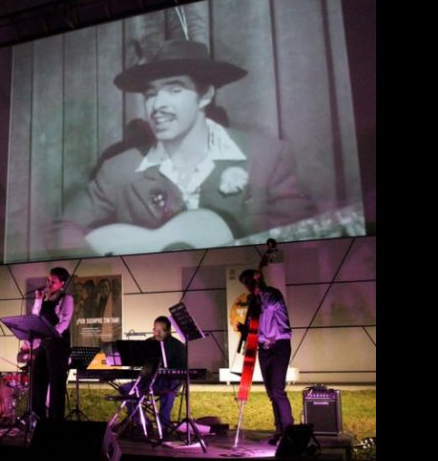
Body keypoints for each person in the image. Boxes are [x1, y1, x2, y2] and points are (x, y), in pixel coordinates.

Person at [50, 37, 314, 256]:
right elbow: (63, 229)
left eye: (174, 90)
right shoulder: (120, 169)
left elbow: (296, 250)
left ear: (205, 95)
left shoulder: (267, 157)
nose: (157, 105)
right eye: (150, 94)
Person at [238, 268, 293, 445]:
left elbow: (271, 306)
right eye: (245, 283)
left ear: (257, 279)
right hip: (264, 349)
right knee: (271, 392)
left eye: (248, 282)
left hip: (279, 346)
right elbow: (256, 328)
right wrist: (246, 330)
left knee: (277, 390)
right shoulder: (255, 300)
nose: (247, 286)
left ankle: (289, 431)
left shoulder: (272, 294)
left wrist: (258, 290)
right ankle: (280, 430)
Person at [20, 266, 74, 421]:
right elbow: (35, 318)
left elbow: (64, 322)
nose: (49, 284)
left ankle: (55, 423)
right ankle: (38, 420)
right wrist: (38, 299)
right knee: (38, 380)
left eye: (53, 281)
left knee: (56, 384)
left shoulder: (66, 299)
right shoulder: (43, 299)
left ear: (62, 283)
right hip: (43, 345)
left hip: (58, 345)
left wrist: (50, 334)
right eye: (48, 280)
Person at [117, 316, 186, 436]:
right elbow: (140, 362)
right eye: (155, 330)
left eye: (160, 330)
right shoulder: (149, 343)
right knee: (125, 389)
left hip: (169, 381)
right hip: (149, 381)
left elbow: (183, 370)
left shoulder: (178, 346)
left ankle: (164, 427)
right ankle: (143, 423)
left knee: (169, 390)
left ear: (168, 330)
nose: (156, 333)